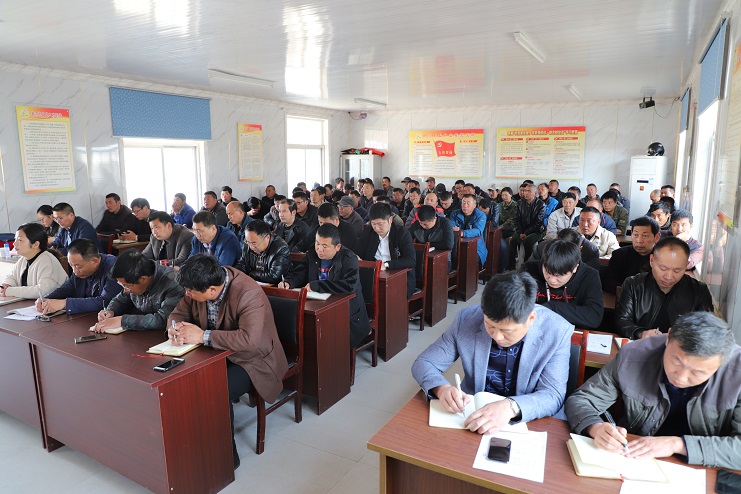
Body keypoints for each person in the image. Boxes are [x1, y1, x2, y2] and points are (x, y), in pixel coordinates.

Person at [565, 312, 741, 470]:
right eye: (676, 361)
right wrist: (595, 427)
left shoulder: (737, 374)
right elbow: (582, 399)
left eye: (697, 372)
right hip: (634, 461)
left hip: (702, 470)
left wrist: (678, 444)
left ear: (722, 363)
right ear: (668, 338)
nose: (681, 377)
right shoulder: (633, 355)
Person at [411, 271, 573, 434]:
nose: (496, 336)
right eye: (490, 325)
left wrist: (511, 407)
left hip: (527, 422)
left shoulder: (557, 331)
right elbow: (425, 363)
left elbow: (553, 394)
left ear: (530, 319)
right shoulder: (467, 319)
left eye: (506, 331)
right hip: (473, 416)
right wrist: (441, 388)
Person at [168, 253, 288, 470]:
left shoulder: (248, 293)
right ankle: (193, 443)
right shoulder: (199, 283)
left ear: (212, 290)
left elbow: (249, 340)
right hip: (217, 351)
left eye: (191, 292)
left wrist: (202, 336)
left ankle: (226, 456)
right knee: (182, 379)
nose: (187, 295)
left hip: (252, 359)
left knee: (216, 390)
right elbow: (177, 314)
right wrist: (174, 328)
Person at [280, 224, 371, 348]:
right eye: (317, 243)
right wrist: (289, 282)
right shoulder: (312, 253)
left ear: (337, 247)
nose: (319, 249)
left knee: (330, 340)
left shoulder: (349, 258)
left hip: (346, 311)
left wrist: (317, 285)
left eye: (325, 246)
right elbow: (300, 272)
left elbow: (350, 286)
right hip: (318, 305)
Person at [615, 237, 713, 340]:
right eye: (663, 268)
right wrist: (641, 333)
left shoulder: (699, 291)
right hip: (641, 345)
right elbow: (622, 320)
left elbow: (707, 328)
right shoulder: (633, 285)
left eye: (677, 270)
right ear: (652, 261)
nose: (669, 277)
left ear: (686, 265)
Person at [92, 250, 184, 332]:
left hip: (165, 336)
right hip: (141, 333)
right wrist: (110, 311)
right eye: (122, 285)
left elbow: (162, 319)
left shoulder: (172, 283)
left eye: (127, 286)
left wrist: (122, 321)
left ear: (143, 279)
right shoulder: (133, 279)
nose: (125, 290)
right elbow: (120, 300)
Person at [520, 240, 603, 329]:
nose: (552, 280)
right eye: (548, 272)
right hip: (533, 327)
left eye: (558, 276)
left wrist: (551, 307)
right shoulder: (529, 269)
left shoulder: (589, 276)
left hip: (571, 331)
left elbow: (594, 317)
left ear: (575, 268)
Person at [38, 238, 122, 315]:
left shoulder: (114, 268)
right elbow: (66, 289)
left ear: (95, 261)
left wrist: (65, 304)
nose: (75, 271)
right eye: (71, 266)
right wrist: (46, 298)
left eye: (78, 266)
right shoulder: (78, 268)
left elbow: (105, 301)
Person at [355, 203, 416, 298]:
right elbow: (358, 252)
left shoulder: (402, 234)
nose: (376, 228)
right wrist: (356, 257)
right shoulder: (368, 232)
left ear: (390, 220)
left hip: (399, 276)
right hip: (373, 275)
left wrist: (386, 265)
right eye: (373, 224)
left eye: (380, 224)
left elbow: (411, 260)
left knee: (387, 296)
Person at [0, 223, 68, 299]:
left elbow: (43, 291)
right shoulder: (23, 259)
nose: (14, 243)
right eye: (15, 239)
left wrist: (10, 291)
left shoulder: (47, 261)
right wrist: (7, 285)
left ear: (35, 244)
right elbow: (12, 277)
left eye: (20, 240)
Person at [602, 216, 660, 293]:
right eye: (635, 235)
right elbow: (608, 282)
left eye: (645, 236)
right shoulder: (619, 254)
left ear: (656, 237)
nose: (639, 240)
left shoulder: (663, 257)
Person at [236, 220, 290, 284]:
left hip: (273, 287)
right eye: (247, 242)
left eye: (254, 243)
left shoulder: (280, 248)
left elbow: (274, 276)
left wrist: (251, 274)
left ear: (267, 237)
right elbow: (242, 264)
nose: (251, 247)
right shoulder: (248, 243)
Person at [506, 184, 544, 270]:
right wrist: (520, 232)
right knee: (513, 240)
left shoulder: (541, 204)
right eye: (525, 191)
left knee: (528, 241)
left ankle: (527, 266)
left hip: (536, 231)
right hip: (522, 230)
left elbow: (538, 222)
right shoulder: (519, 203)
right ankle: (511, 265)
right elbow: (516, 219)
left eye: (528, 191)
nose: (525, 193)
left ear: (535, 193)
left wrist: (526, 233)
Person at [409, 205, 455, 271]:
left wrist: (427, 245)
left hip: (442, 259)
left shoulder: (445, 223)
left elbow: (449, 245)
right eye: (420, 223)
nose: (422, 226)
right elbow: (407, 240)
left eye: (425, 224)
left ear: (434, 219)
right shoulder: (417, 225)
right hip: (421, 258)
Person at [531, 228, 601, 271]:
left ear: (579, 249)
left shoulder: (591, 251)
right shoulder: (542, 247)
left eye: (567, 252)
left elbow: (590, 278)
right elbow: (530, 270)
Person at [450, 194, 489, 267]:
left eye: (468, 203)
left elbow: (478, 230)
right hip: (456, 244)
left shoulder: (481, 215)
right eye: (463, 203)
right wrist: (453, 229)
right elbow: (451, 227)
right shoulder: (454, 214)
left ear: (474, 205)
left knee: (469, 260)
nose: (465, 205)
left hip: (476, 246)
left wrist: (463, 233)